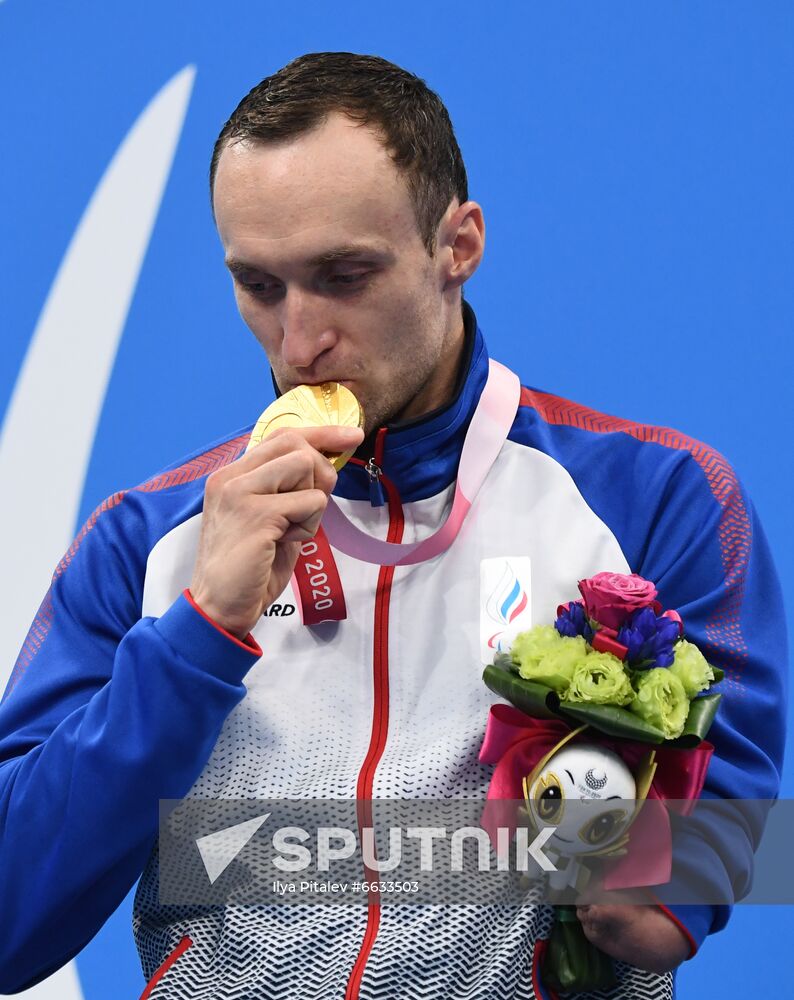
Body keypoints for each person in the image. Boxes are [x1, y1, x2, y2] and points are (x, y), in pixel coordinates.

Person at [0, 51, 785, 999]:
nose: (298, 342)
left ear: (458, 244)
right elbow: (9, 915)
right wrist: (198, 636)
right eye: (259, 285)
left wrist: (671, 888)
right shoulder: (147, 539)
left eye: (344, 275)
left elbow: (742, 811)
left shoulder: (660, 495)